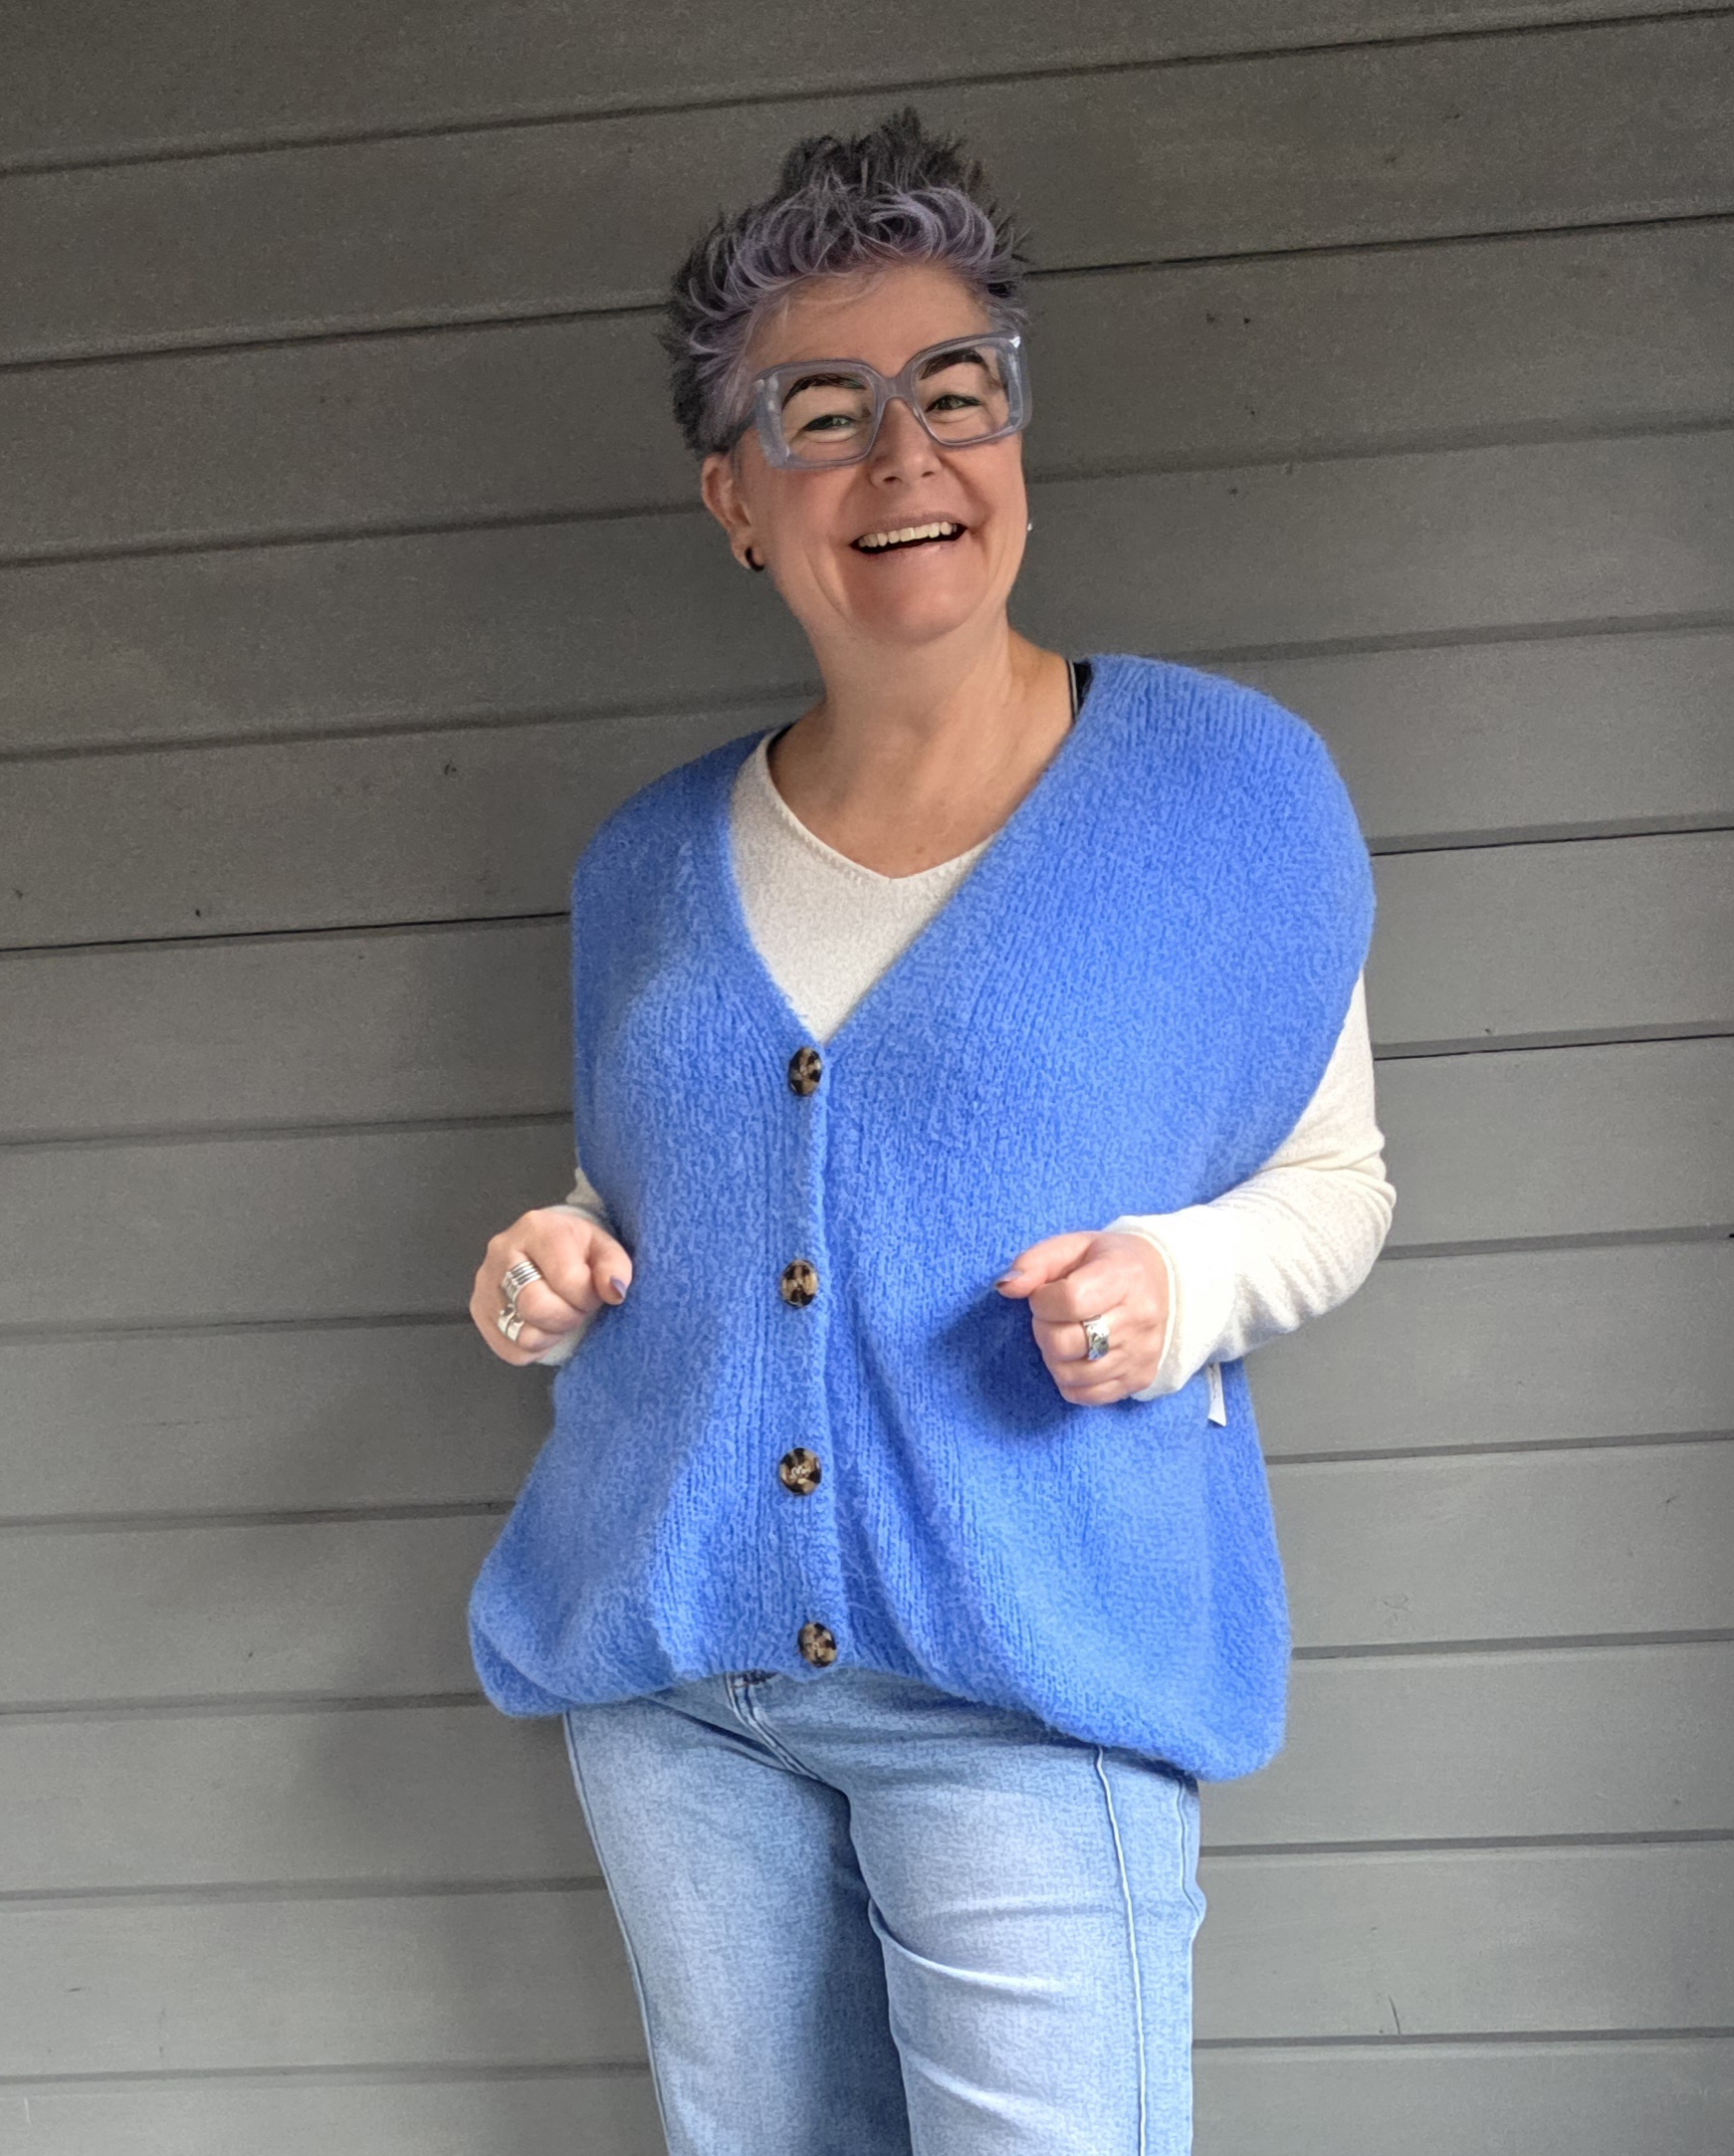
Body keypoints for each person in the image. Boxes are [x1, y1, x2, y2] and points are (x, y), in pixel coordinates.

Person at [466, 107, 1393, 2156]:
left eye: (953, 390)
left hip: (1025, 1672)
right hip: (680, 1686)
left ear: (1012, 436)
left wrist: (1180, 1281)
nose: (904, 457)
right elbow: (663, 1196)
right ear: (736, 498)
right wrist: (549, 1256)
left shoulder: (1225, 795)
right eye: (824, 411)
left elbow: (1335, 1180)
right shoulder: (642, 866)